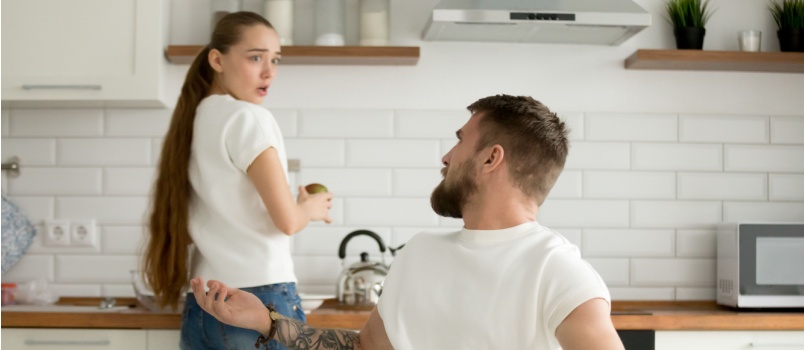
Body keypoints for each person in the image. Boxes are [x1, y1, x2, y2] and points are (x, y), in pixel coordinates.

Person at [189, 95, 624, 349]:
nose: (446, 157)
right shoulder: (421, 253)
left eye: (459, 142)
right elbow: (363, 349)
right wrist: (266, 321)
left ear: (492, 159)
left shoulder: (557, 271)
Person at [143, 11, 333, 350]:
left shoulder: (196, 118)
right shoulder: (248, 117)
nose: (269, 71)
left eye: (275, 59)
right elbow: (288, 221)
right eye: (255, 57)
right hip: (259, 302)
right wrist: (311, 207)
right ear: (217, 59)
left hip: (202, 305)